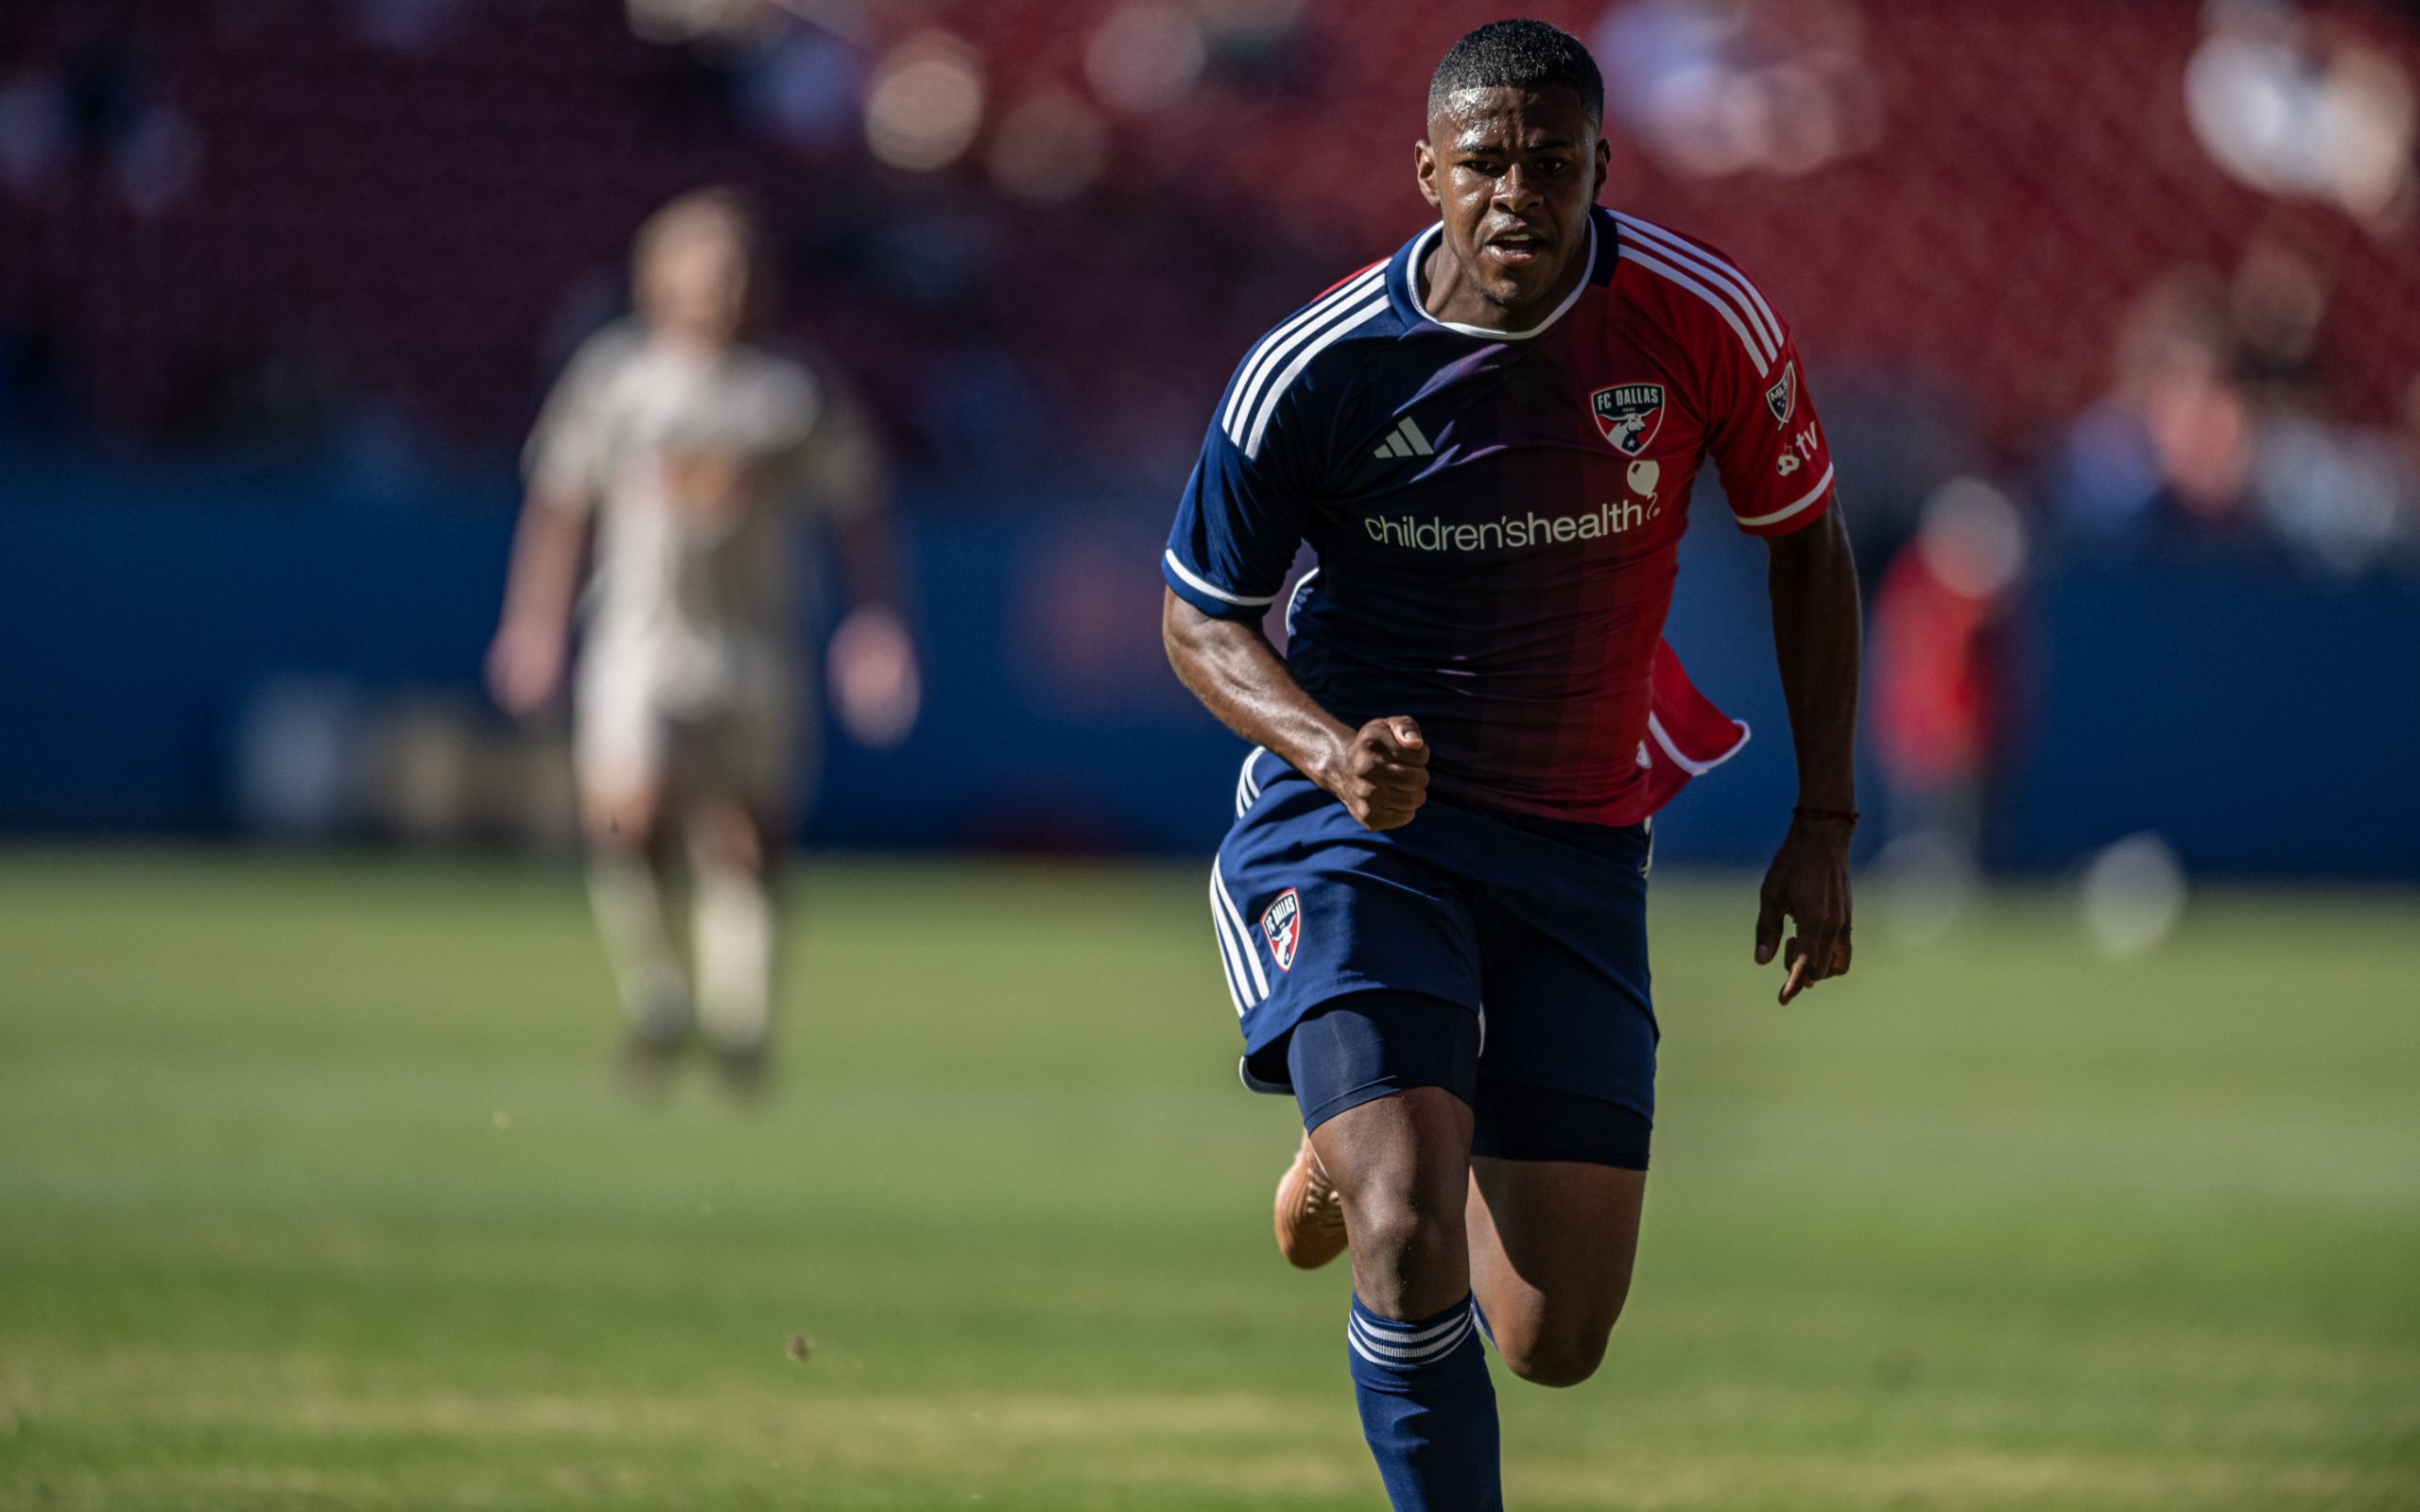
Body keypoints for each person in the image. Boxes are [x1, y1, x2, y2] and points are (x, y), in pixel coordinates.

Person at [1159, 21, 1860, 1508]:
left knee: (1553, 1338)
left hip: (1576, 837)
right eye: (1485, 161)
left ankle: (1352, 1147)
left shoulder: (1698, 317)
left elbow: (1804, 539)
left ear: (1606, 163)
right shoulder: (1322, 366)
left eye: (1555, 161)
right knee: (1412, 1231)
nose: (1519, 192)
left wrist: (1827, 817)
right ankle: (1379, 1153)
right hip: (1360, 833)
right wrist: (1333, 752)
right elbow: (1197, 618)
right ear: (1428, 171)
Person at [488, 187, 916, 1091]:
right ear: (660, 279)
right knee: (626, 813)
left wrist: (874, 626)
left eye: (742, 270)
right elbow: (560, 504)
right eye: (708, 268)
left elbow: (859, 506)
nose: (726, 287)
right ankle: (657, 997)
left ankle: (739, 1023)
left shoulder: (789, 392)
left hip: (757, 645)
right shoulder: (616, 382)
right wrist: (533, 624)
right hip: (640, 639)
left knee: (744, 837)